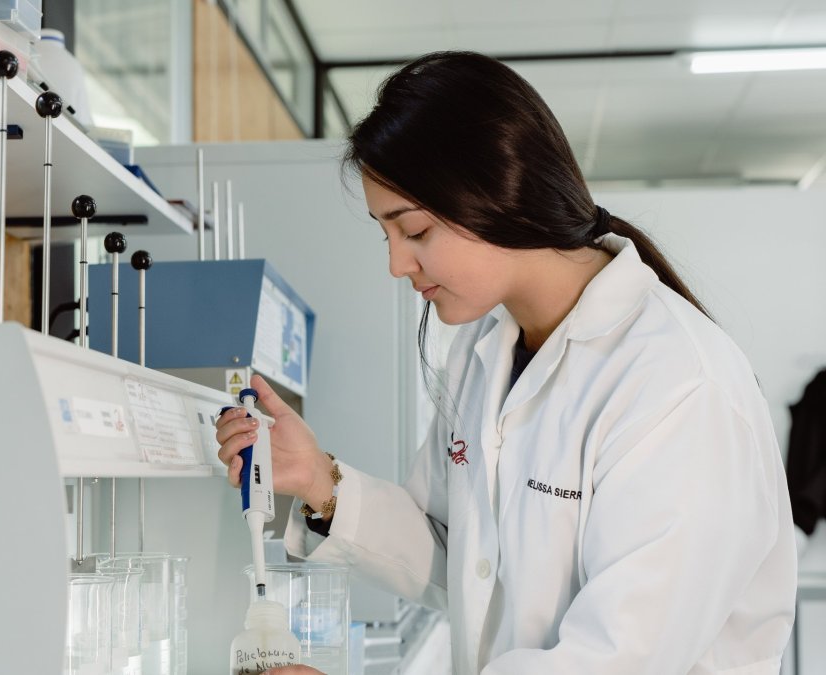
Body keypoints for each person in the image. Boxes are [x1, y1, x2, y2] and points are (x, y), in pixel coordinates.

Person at [215, 51, 797, 675]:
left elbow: (620, 658)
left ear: (496, 194)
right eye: (385, 235)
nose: (396, 265)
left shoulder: (678, 385)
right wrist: (320, 482)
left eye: (413, 232)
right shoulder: (484, 348)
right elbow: (463, 560)